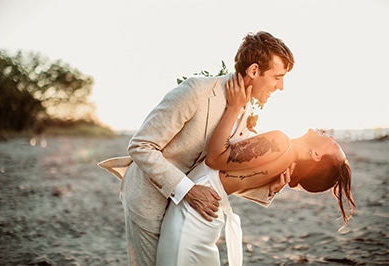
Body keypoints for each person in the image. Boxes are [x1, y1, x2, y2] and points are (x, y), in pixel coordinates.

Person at [116, 31, 296, 265]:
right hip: (149, 203)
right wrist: (189, 190)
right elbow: (141, 145)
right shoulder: (197, 91)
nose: (280, 86)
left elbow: (218, 173)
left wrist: (269, 187)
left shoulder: (245, 111)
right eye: (277, 77)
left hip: (184, 213)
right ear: (254, 71)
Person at [155, 75, 355, 266]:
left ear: (317, 156)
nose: (329, 136)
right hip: (203, 216)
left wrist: (234, 108)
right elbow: (231, 175)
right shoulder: (283, 160)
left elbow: (215, 159)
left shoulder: (280, 142)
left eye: (333, 143)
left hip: (191, 215)